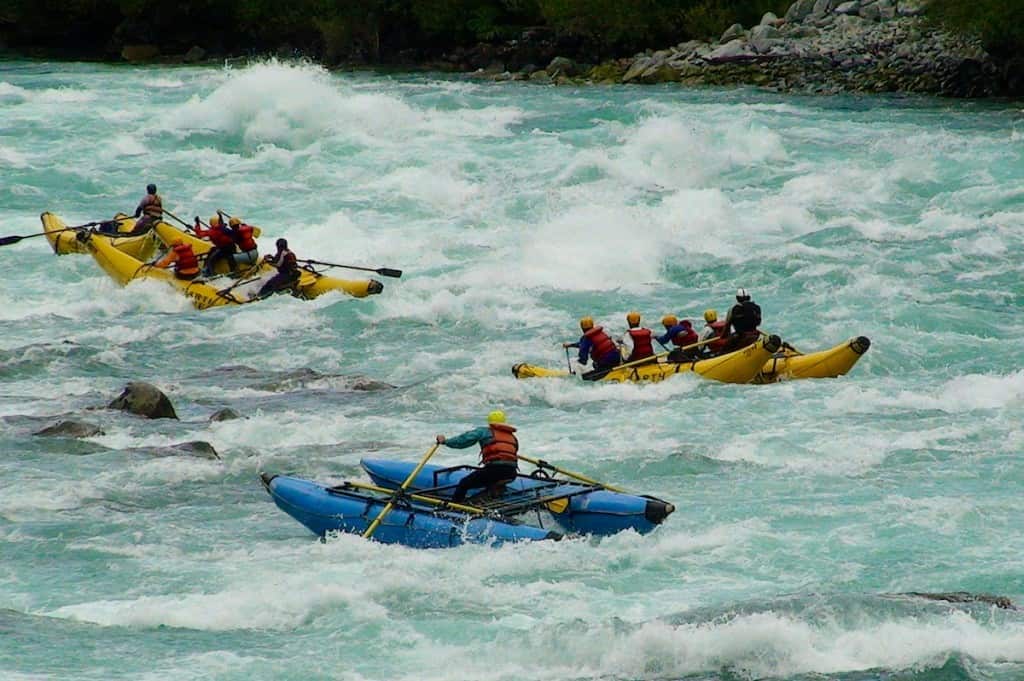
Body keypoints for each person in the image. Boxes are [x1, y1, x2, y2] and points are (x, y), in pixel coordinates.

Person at [435, 410, 519, 502]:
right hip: (511, 473)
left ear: (489, 422)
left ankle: (454, 508)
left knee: (464, 483)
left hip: (495, 471)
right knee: (490, 477)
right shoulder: (512, 437)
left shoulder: (484, 431)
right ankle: (494, 492)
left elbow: (463, 440)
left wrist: (445, 441)